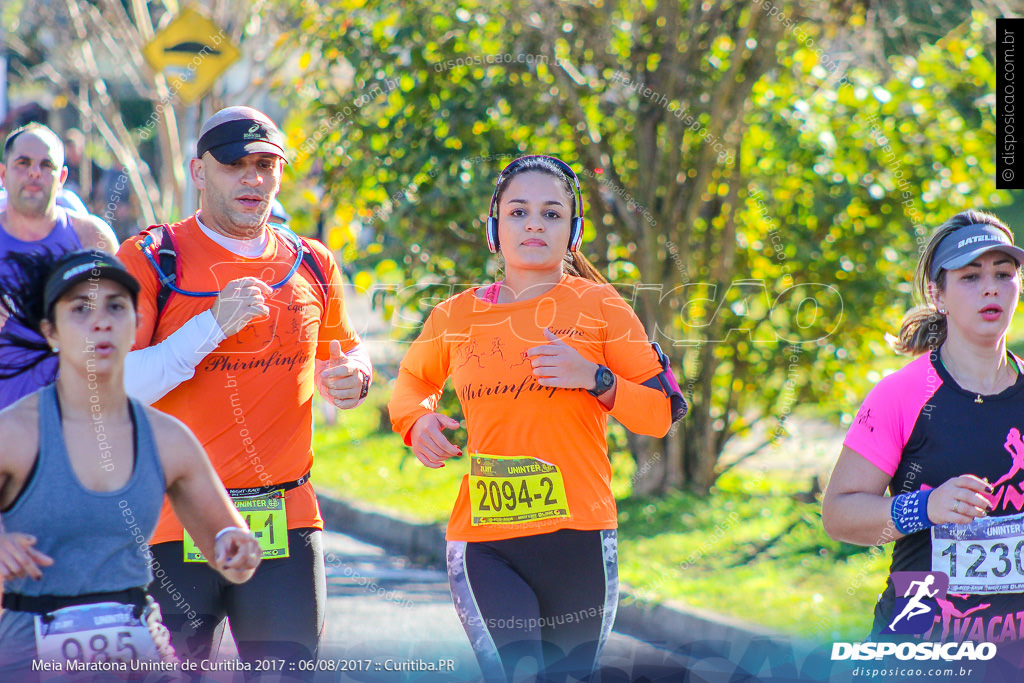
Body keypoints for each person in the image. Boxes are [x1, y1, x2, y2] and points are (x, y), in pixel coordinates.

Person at [388, 155, 685, 682]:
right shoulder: (455, 316)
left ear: (573, 231)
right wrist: (419, 423)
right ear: (493, 227)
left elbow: (660, 415)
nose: (533, 224)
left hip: (580, 536)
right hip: (486, 541)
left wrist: (596, 378)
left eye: (551, 214)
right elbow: (411, 384)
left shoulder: (601, 306)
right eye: (518, 211)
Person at [116, 105, 372, 675]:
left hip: (285, 520)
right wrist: (211, 327)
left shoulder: (311, 261)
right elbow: (120, 384)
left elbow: (347, 350)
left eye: (265, 164)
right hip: (171, 521)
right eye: (234, 164)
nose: (252, 178)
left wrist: (355, 379)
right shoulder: (153, 258)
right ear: (198, 172)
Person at [0, 248, 262, 680]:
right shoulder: (16, 434)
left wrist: (237, 549)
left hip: (137, 650)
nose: (101, 321)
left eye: (116, 307)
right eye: (81, 308)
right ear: (50, 330)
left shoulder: (167, 438)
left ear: (135, 324)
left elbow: (226, 541)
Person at [822, 210, 1024, 677]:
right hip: (920, 647)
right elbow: (838, 516)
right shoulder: (902, 394)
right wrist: (925, 508)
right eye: (970, 277)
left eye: (1003, 274)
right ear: (938, 294)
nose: (990, 288)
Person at [0, 122, 119, 411]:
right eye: (23, 163)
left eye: (46, 164)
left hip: (72, 427)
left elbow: (124, 330)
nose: (34, 173)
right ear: (3, 174)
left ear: (62, 176)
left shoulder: (92, 238)